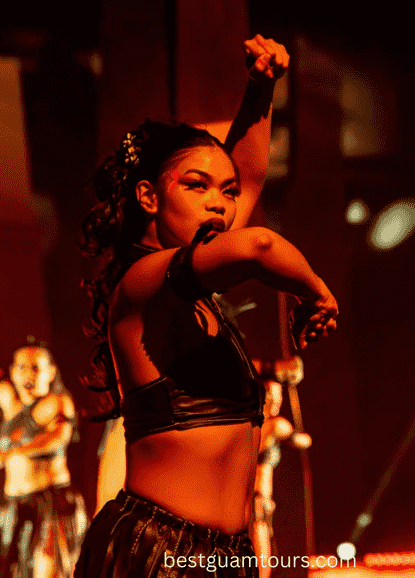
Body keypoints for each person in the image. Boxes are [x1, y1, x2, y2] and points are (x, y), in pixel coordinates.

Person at [76, 35, 337, 578]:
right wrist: (314, 289)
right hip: (159, 555)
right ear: (149, 197)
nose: (219, 202)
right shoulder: (144, 281)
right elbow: (259, 246)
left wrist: (261, 90)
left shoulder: (189, 281)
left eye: (227, 191)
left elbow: (249, 177)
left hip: (223, 557)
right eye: (197, 186)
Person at [0, 287, 88, 578]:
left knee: (48, 570)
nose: (27, 374)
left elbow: (58, 437)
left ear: (51, 372)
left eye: (35, 367)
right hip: (15, 504)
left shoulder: (58, 402)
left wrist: (9, 453)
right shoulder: (11, 404)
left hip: (50, 502)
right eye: (21, 367)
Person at [251, 357, 311, 578]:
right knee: (261, 561)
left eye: (279, 395)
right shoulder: (274, 425)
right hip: (257, 499)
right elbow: (302, 440)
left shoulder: (253, 427)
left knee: (263, 558)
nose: (276, 400)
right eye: (270, 394)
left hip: (263, 500)